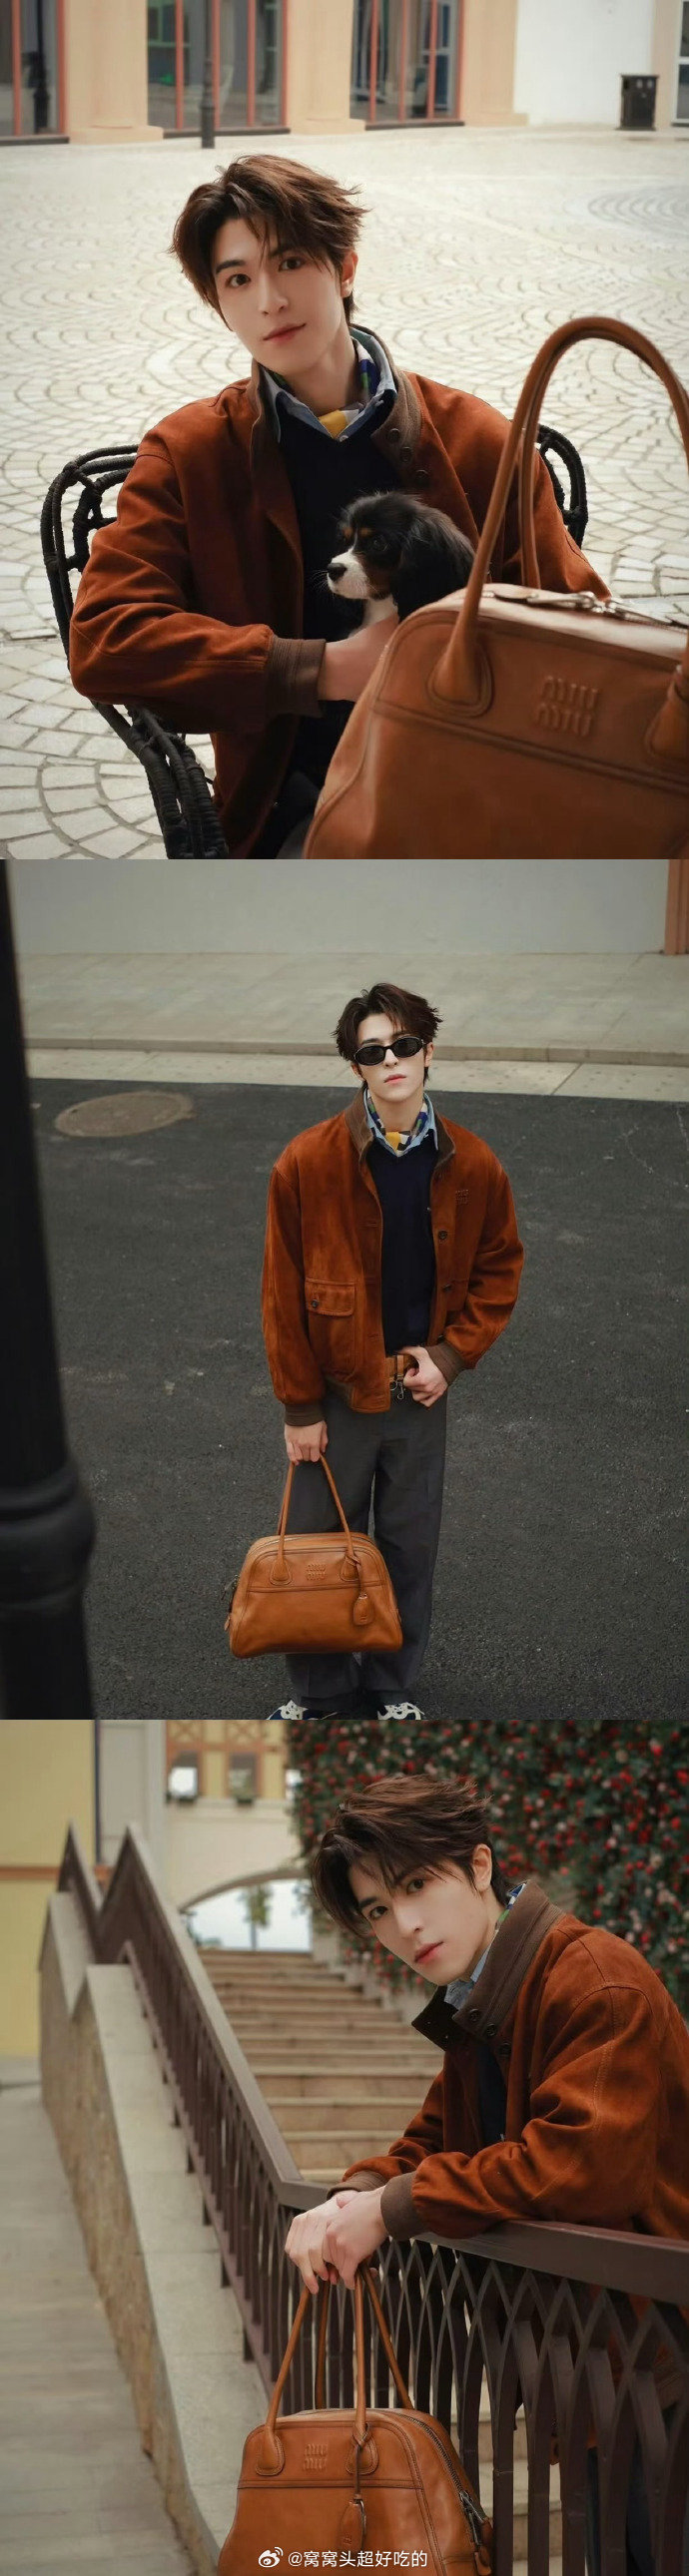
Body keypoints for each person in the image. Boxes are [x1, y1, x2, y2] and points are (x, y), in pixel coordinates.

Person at [68, 155, 607, 857]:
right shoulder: (189, 453)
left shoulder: (480, 442)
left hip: (485, 789)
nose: (270, 300)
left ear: (345, 269)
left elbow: (583, 628)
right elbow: (107, 639)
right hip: (300, 803)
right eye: (238, 279)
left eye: (290, 262)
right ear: (220, 305)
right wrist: (324, 668)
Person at [285, 1771, 689, 2576]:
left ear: (479, 1865)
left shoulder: (591, 1978)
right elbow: (431, 2142)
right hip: (600, 2368)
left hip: (662, 2362)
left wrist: (393, 2209)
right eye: (376, 1909)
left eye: (416, 1884)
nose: (403, 1924)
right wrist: (350, 2198)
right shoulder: (485, 2000)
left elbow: (582, 2167)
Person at [261, 980, 523, 1723]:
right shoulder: (306, 1162)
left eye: (404, 1044)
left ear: (428, 1051)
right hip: (336, 1396)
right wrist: (299, 1407)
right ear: (357, 1067)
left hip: (416, 1393)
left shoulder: (472, 1161)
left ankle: (389, 1688)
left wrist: (452, 1355)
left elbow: (500, 1266)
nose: (392, 1060)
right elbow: (281, 1294)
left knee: (409, 1548)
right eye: (373, 1051)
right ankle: (320, 1695)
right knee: (317, 1548)